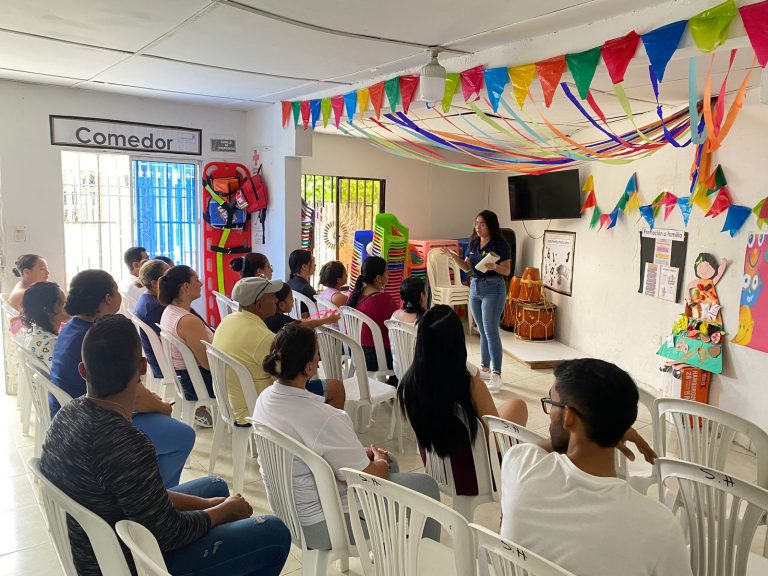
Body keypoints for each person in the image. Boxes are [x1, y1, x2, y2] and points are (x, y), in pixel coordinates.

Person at [40, 314, 291, 576]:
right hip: (126, 562)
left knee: (214, 487)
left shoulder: (67, 414)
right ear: (142, 367)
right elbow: (168, 533)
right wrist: (222, 511)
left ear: (83, 370)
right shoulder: (127, 442)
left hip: (95, 546)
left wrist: (209, 505)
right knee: (274, 533)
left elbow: (141, 494)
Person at [252, 323, 441, 550]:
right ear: (310, 368)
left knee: (389, 460)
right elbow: (363, 477)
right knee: (426, 486)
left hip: (290, 516)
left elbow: (312, 452)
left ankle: (391, 551)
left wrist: (366, 456)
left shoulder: (265, 399)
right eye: (317, 354)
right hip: (327, 525)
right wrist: (378, 463)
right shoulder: (324, 417)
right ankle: (426, 556)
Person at [500, 358, 691, 576]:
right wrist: (609, 429)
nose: (551, 412)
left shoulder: (520, 467)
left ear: (570, 416)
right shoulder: (660, 526)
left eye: (553, 404)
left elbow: (541, 450)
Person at [50, 270, 195, 488]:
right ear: (108, 298)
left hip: (72, 419)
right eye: (116, 290)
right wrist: (163, 407)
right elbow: (135, 395)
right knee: (183, 435)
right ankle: (161, 497)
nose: (119, 295)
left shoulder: (72, 327)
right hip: (97, 427)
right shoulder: (103, 337)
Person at [398, 305, 528, 496]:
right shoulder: (469, 384)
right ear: (458, 343)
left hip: (437, 469)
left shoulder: (409, 382)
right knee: (518, 407)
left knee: (509, 408)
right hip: (475, 476)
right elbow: (494, 438)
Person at [214, 277, 345, 426]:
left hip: (231, 404)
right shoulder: (263, 338)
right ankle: (321, 437)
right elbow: (291, 378)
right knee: (335, 388)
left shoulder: (227, 321)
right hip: (255, 409)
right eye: (271, 296)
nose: (276, 300)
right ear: (259, 305)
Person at [443, 210, 511, 392]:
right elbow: (467, 267)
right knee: (481, 330)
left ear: (490, 225)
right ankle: (485, 368)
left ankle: (497, 374)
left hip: (493, 288)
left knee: (490, 330)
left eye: (482, 224)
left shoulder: (500, 244)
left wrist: (495, 266)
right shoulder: (473, 243)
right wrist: (454, 257)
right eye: (476, 224)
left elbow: (506, 271)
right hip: (475, 287)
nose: (478, 227)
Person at [158, 265, 215, 428]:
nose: (202, 284)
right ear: (186, 286)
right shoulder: (188, 321)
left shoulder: (170, 311)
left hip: (185, 379)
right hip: (197, 384)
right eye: (197, 280)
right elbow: (208, 363)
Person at [347, 256, 398, 374]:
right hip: (376, 357)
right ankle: (396, 385)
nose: (388, 273)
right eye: (386, 271)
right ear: (379, 278)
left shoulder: (354, 296)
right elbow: (396, 326)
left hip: (356, 352)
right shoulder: (383, 300)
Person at [133, 259, 170, 380]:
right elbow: (169, 344)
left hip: (155, 360)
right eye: (168, 275)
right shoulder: (155, 307)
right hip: (163, 365)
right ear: (155, 283)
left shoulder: (146, 298)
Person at [21, 281, 69, 369]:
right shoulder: (50, 343)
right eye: (63, 303)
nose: (68, 307)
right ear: (47, 310)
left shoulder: (35, 331)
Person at [264, 283, 341, 334]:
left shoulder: (269, 315)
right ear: (281, 305)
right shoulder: (279, 319)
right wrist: (327, 320)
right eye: (291, 298)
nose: (293, 300)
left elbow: (298, 321)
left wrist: (323, 319)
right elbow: (304, 324)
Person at [287, 249, 316, 317]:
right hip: (307, 326)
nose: (315, 264)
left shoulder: (288, 283)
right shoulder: (308, 290)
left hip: (292, 325)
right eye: (312, 261)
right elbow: (317, 315)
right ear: (304, 267)